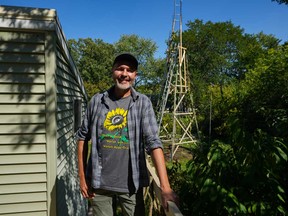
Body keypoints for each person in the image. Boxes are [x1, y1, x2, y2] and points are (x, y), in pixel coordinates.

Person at [77, 53, 178, 216]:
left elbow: (153, 142)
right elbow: (82, 137)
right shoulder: (96, 101)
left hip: (131, 185)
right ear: (112, 71)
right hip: (98, 184)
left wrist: (165, 187)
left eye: (130, 70)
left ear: (135, 75)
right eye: (120, 68)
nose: (124, 74)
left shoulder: (143, 103)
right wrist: (82, 178)